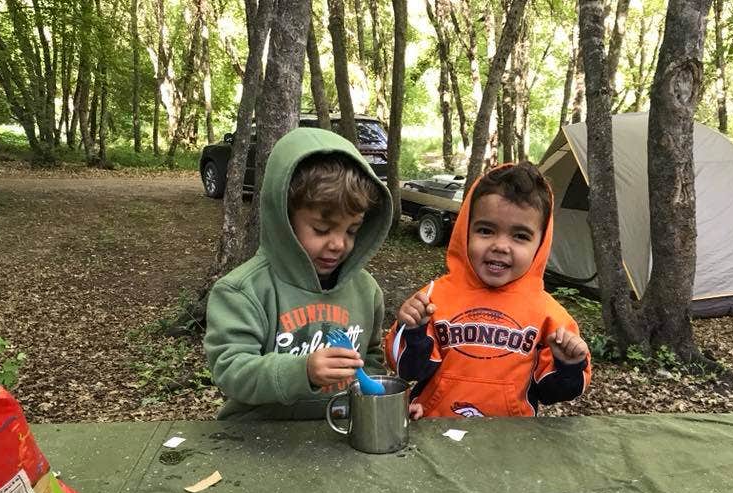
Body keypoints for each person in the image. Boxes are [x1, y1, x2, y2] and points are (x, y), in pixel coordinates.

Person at [205, 127, 393, 420]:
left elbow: (369, 360)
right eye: (321, 229)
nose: (338, 244)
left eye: (352, 230)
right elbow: (231, 370)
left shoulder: (366, 291)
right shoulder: (243, 291)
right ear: (284, 218)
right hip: (256, 436)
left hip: (338, 433)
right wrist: (302, 371)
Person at [387, 162, 591, 418]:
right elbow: (408, 371)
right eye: (486, 230)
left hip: (509, 436)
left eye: (520, 236)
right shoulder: (432, 298)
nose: (500, 246)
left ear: (540, 244)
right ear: (465, 231)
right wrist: (414, 331)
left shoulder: (549, 315)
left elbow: (552, 393)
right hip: (435, 429)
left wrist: (568, 366)